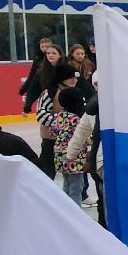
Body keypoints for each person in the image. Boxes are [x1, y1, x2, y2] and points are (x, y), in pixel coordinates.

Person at [38, 72, 96, 205]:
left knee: (66, 184)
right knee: (76, 187)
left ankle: (65, 207)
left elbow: (53, 131)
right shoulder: (77, 119)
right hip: (74, 158)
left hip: (59, 157)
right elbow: (85, 138)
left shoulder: (59, 116)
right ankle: (75, 211)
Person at [19, 37, 61, 114]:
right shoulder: (37, 59)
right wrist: (24, 88)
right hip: (43, 86)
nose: (44, 48)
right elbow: (32, 76)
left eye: (47, 46)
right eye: (42, 46)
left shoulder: (60, 61)